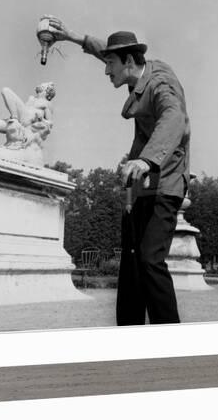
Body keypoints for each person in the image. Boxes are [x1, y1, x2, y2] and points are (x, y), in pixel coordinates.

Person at [48, 17, 190, 326]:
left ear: (127, 61)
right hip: (140, 186)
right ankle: (129, 334)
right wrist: (72, 36)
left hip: (164, 185)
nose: (105, 69)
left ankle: (173, 338)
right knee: (131, 261)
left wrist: (146, 159)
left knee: (150, 259)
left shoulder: (161, 84)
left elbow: (173, 117)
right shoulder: (137, 71)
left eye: (110, 63)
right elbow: (105, 50)